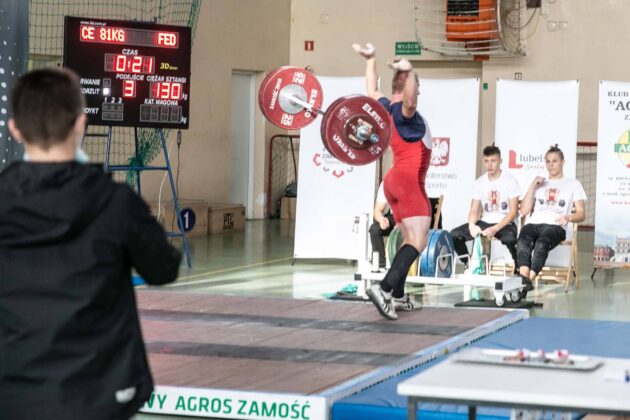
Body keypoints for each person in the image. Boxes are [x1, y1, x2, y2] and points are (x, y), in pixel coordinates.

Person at [0, 68, 182, 419]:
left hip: (12, 391)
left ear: (15, 129)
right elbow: (163, 269)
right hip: (99, 391)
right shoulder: (116, 203)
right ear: (80, 124)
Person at [353, 43, 432, 320]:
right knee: (418, 241)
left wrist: (371, 59)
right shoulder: (404, 113)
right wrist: (410, 69)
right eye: (416, 85)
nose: (418, 91)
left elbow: (371, 92)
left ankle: (397, 295)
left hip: (393, 182)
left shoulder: (386, 107)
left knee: (407, 239)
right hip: (409, 182)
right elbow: (410, 101)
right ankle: (384, 288)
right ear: (408, 84)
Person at [517, 145, 586, 291]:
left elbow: (581, 213)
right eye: (547, 161)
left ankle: (526, 281)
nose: (550, 165)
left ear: (562, 162)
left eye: (554, 161)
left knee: (542, 243)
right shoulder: (540, 183)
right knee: (523, 239)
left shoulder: (573, 184)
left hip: (555, 225)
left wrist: (569, 217)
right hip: (533, 222)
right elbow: (523, 210)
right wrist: (532, 187)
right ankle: (524, 280)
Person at [450, 145, 519, 269]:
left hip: (505, 224)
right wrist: (472, 225)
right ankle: (470, 265)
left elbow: (513, 212)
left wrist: (496, 228)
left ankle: (519, 268)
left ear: (500, 161)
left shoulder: (510, 180)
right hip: (485, 222)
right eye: (486, 161)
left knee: (511, 240)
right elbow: (474, 210)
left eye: (493, 161)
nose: (489, 165)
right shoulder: (479, 183)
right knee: (454, 235)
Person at [369, 181, 396, 269]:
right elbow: (377, 210)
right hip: (394, 217)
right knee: (374, 229)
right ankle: (380, 266)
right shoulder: (387, 183)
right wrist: (381, 219)